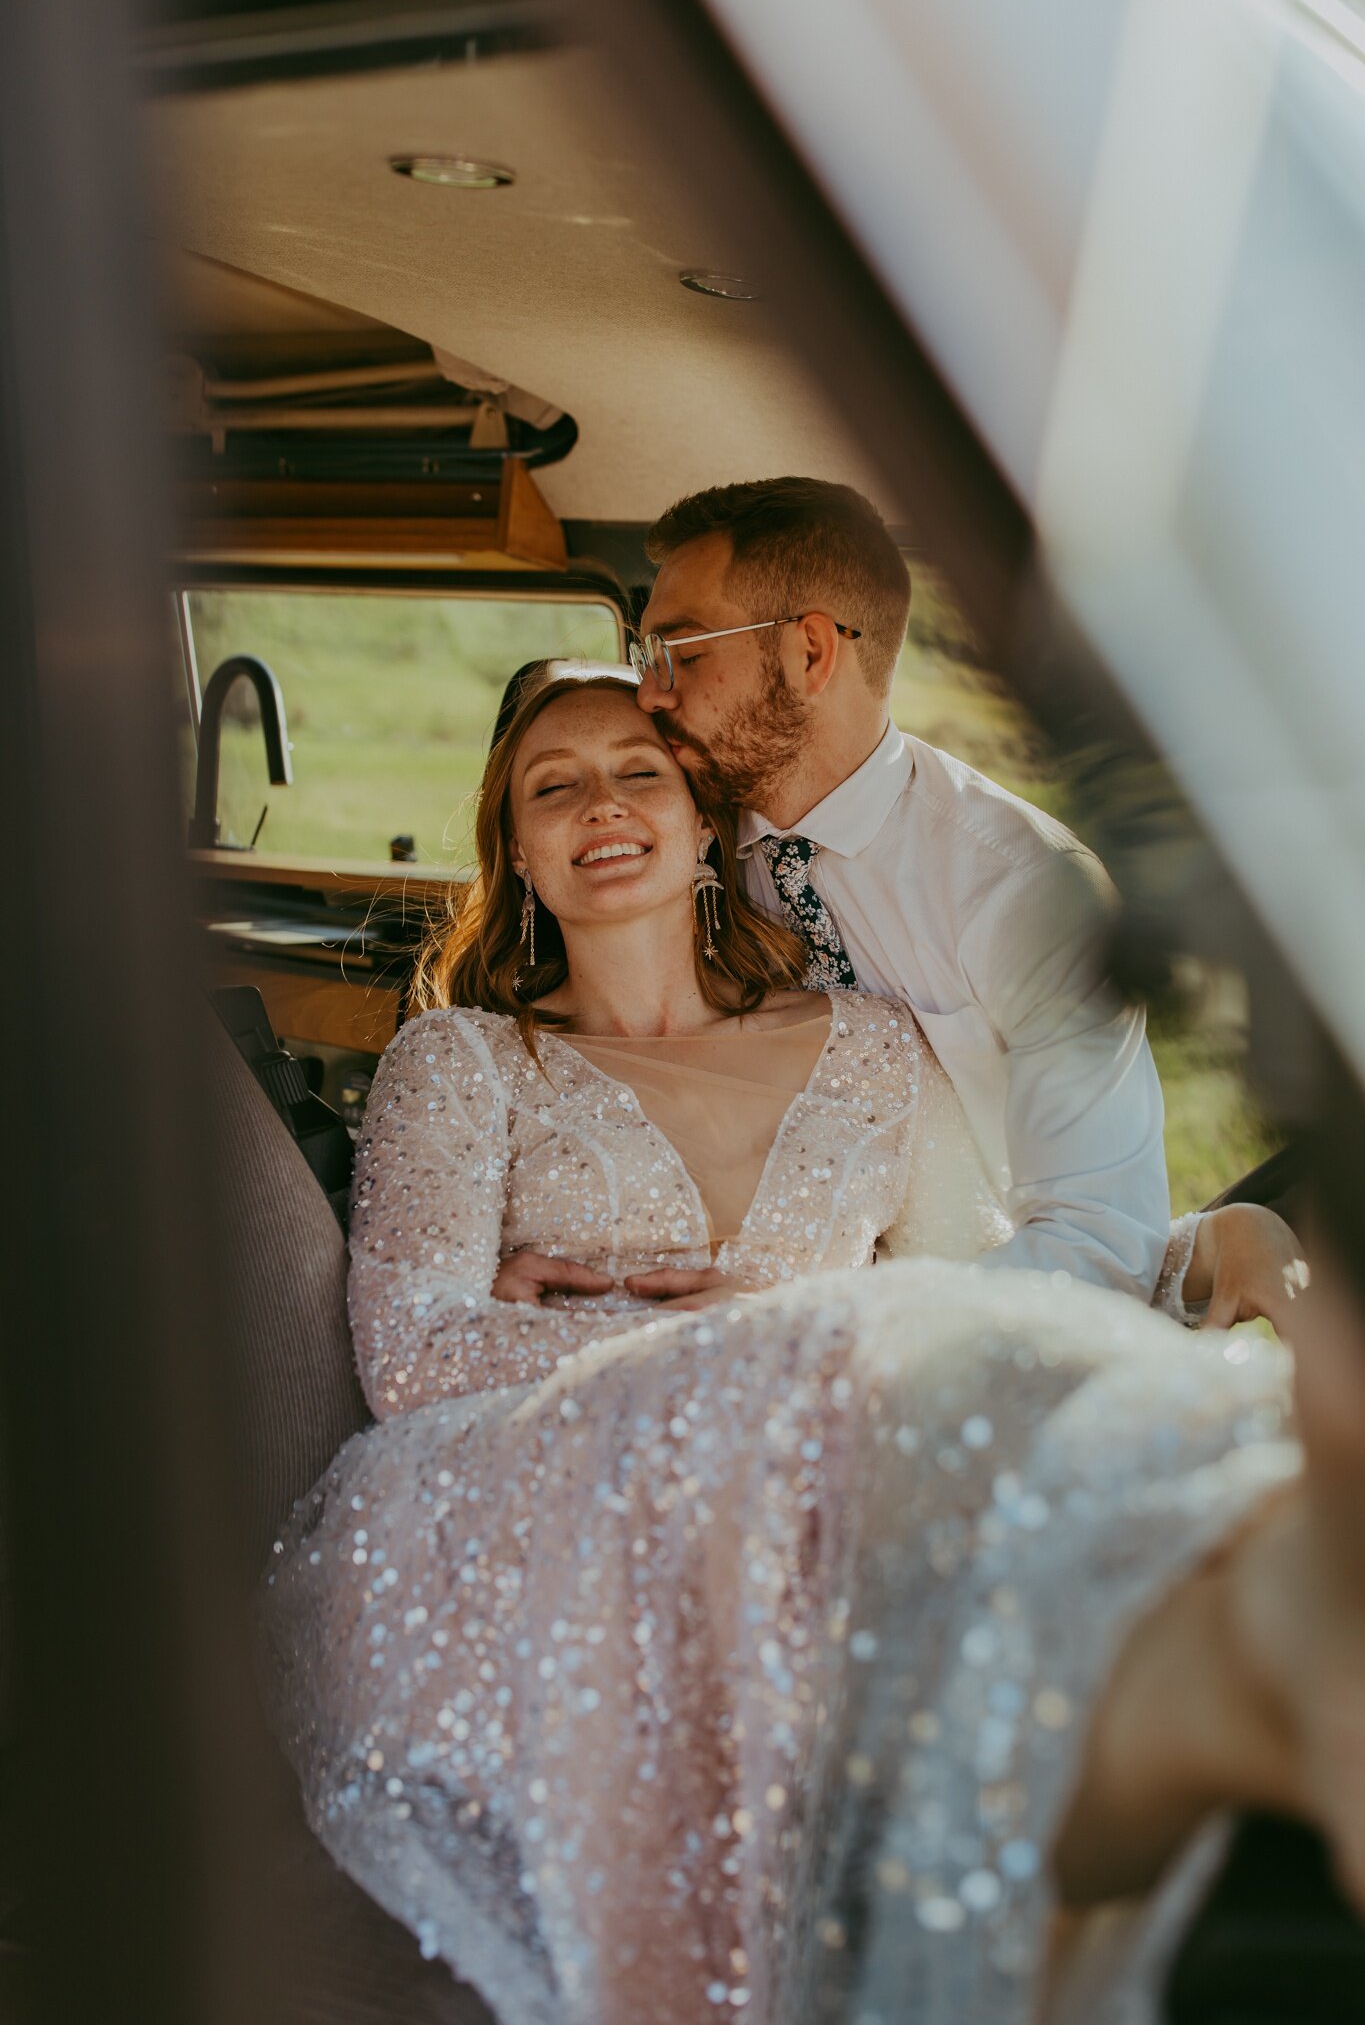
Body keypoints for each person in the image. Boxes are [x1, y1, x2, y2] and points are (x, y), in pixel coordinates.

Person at [263, 676, 1362, 2025]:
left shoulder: (873, 1049)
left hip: (805, 1477)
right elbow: (413, 1356)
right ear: (518, 853)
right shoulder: (467, 1061)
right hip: (520, 1512)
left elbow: (966, 1293)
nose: (600, 805)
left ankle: (1263, 1612)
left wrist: (1196, 1246)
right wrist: (729, 1338)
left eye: (638, 773)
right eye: (553, 787)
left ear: (703, 826)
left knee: (981, 1445)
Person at [634, 476, 1301, 1329]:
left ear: (809, 653)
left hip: (953, 1335)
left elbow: (1097, 1241)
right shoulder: (662, 835)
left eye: (681, 654)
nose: (651, 695)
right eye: (644, 659)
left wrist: (815, 1319)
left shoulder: (1025, 888)